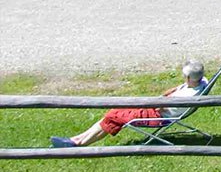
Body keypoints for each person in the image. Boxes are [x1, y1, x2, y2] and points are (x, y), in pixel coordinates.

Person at [51, 60, 207, 147]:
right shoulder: (200, 83)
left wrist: (155, 101)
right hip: (155, 108)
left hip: (156, 114)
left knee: (113, 115)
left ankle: (78, 143)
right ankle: (76, 139)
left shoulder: (187, 95)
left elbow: (161, 106)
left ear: (188, 78)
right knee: (115, 111)